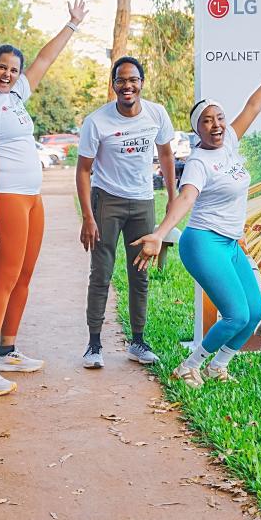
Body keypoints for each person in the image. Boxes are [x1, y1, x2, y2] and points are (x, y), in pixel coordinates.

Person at [131, 48, 261, 387]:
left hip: (229, 243)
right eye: (206, 121)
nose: (215, 125)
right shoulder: (199, 163)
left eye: (219, 118)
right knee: (236, 314)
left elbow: (254, 105)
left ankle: (219, 365)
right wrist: (160, 233)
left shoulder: (228, 141)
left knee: (256, 311)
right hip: (202, 242)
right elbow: (186, 198)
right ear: (196, 130)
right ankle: (190, 365)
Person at [0, 0, 88, 396]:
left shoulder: (16, 96)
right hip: (7, 199)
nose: (9, 74)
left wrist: (71, 25)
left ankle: (8, 350)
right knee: (3, 279)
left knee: (24, 275)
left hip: (31, 197)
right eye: (2, 67)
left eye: (13, 70)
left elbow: (44, 60)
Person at [77, 56, 177, 369]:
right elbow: (83, 171)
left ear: (142, 83)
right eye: (120, 80)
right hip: (107, 201)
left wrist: (173, 196)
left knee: (140, 273)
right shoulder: (97, 121)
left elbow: (166, 154)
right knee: (101, 273)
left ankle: (138, 341)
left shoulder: (156, 113)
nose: (127, 86)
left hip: (143, 202)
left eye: (133, 80)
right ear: (113, 84)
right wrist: (88, 217)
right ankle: (94, 344)